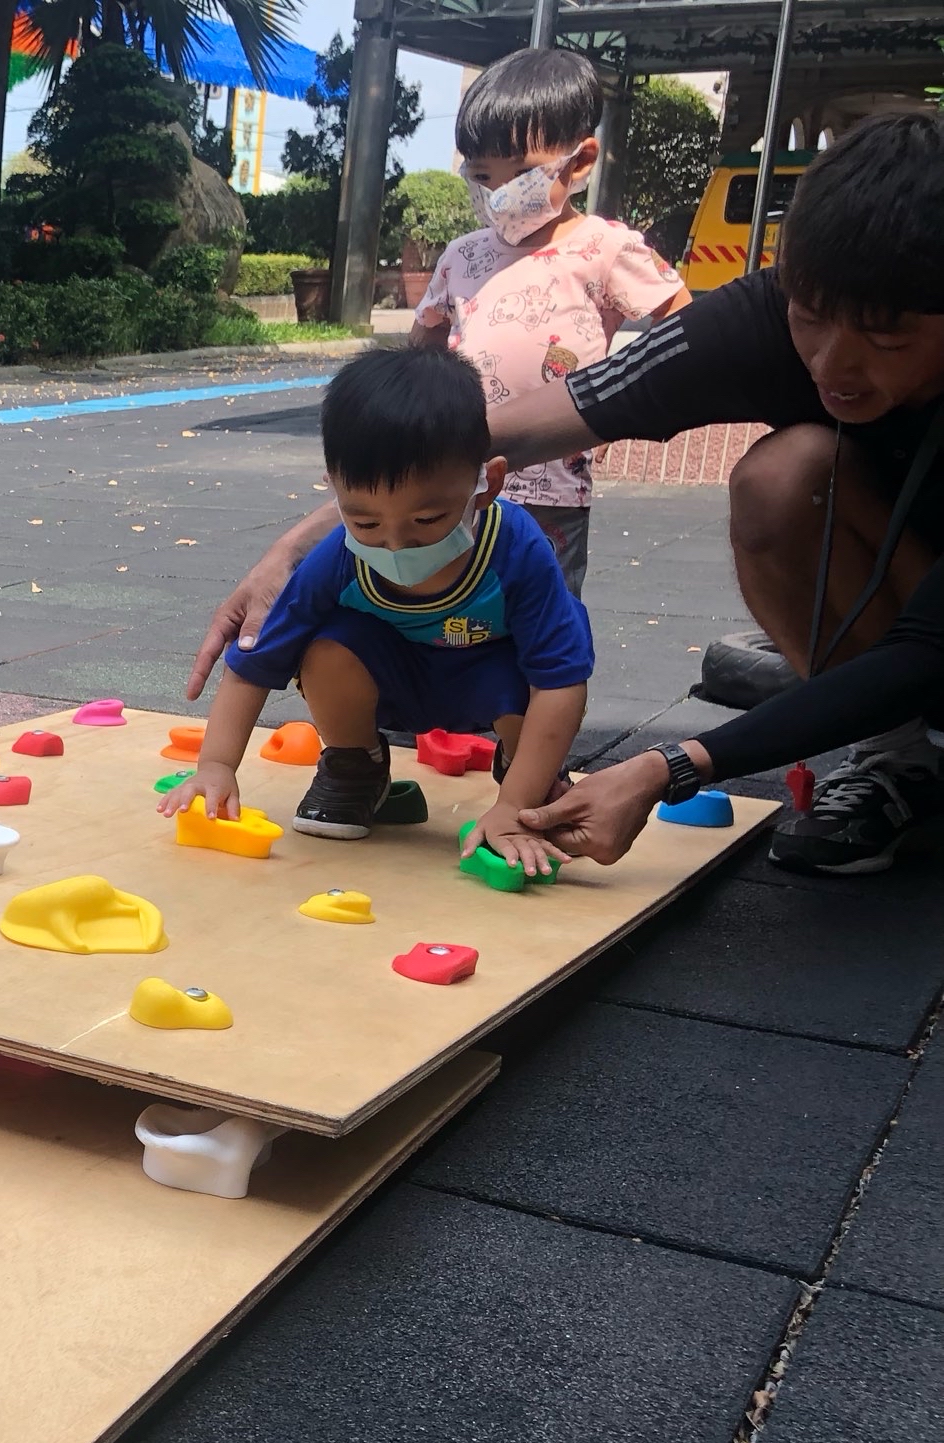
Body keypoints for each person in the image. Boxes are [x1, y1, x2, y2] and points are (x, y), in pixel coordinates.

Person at [195, 110, 944, 875]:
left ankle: (906, 752)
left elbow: (928, 648)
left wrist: (669, 766)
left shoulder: (515, 544)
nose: (832, 366)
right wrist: (305, 542)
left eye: (885, 339)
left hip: (930, 622)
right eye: (810, 319)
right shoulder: (764, 316)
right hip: (896, 584)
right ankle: (896, 752)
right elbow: (519, 424)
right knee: (785, 475)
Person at [161, 347, 591, 870]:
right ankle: (356, 766)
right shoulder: (337, 558)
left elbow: (561, 682)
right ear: (334, 490)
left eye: (427, 520)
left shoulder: (517, 549)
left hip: (492, 684)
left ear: (487, 484)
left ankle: (528, 779)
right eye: (365, 522)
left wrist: (514, 806)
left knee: (542, 676)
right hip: (390, 687)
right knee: (323, 647)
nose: (395, 544)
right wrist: (216, 766)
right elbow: (255, 661)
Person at [410, 46, 692, 595]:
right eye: (482, 175)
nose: (498, 193)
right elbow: (421, 347)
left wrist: (622, 404)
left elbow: (684, 325)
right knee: (452, 608)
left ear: (579, 162)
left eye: (521, 174)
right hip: (459, 480)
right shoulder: (463, 255)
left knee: (547, 612)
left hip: (553, 487)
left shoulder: (604, 248)